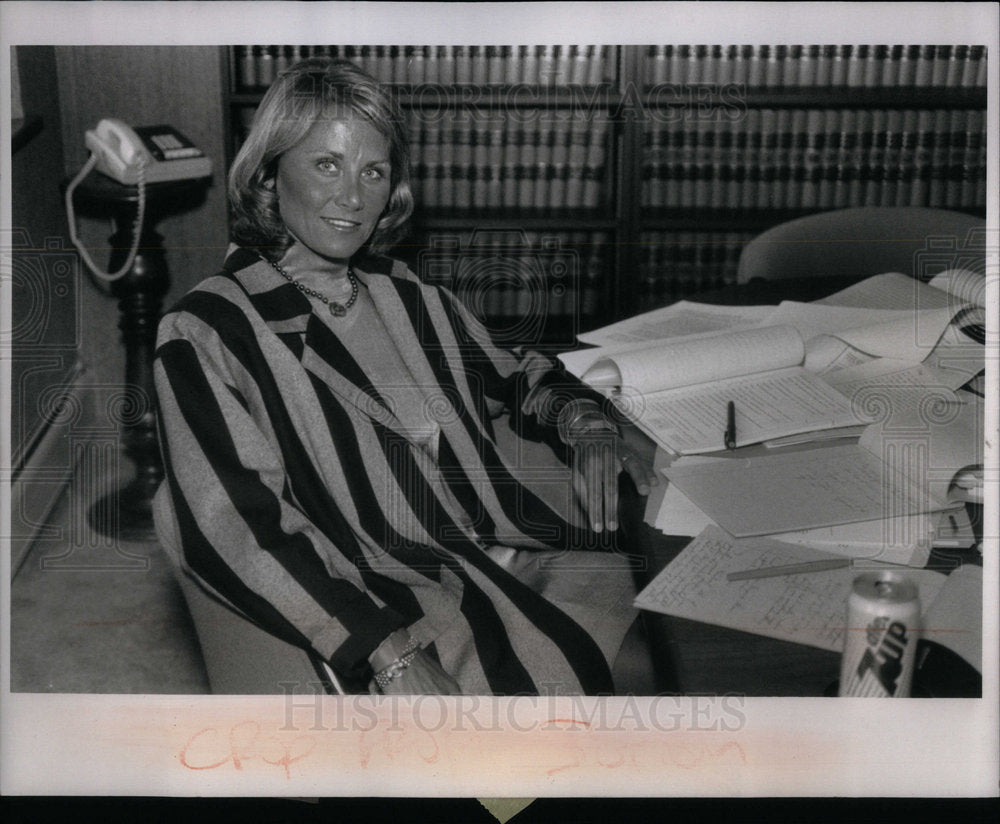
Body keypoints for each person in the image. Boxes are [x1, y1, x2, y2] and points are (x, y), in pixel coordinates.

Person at [153, 57, 658, 696]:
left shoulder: (405, 293)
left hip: (507, 553)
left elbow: (519, 376)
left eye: (374, 171)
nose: (353, 197)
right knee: (610, 708)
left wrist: (583, 420)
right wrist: (386, 653)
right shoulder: (208, 331)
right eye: (326, 164)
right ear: (270, 173)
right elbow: (232, 527)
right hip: (401, 606)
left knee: (678, 633)